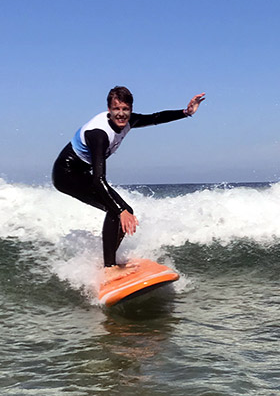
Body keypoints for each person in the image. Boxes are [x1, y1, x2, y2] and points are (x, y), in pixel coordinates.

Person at [52, 86, 205, 280]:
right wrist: (119, 209)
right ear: (109, 109)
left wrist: (186, 112)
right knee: (117, 211)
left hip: (84, 173)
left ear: (131, 109)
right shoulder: (98, 134)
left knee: (126, 211)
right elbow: (99, 180)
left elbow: (155, 118)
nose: (121, 114)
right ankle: (109, 267)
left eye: (125, 109)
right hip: (67, 175)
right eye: (116, 109)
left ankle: (107, 260)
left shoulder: (128, 121)